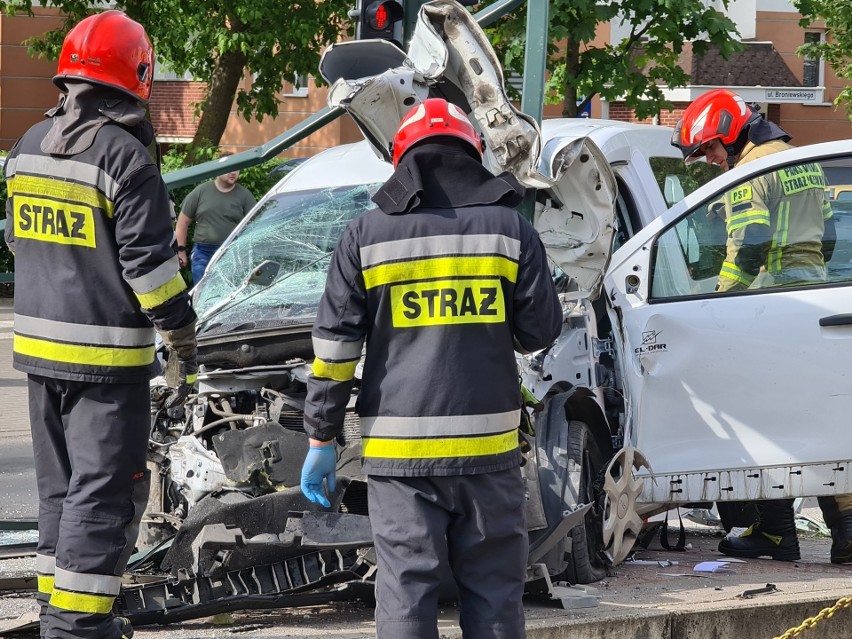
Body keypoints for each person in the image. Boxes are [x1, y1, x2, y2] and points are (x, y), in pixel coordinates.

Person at [299, 98, 562, 638]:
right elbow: (540, 331)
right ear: (473, 155)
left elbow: (335, 354)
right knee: (494, 594)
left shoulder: (365, 236)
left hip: (401, 459)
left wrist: (322, 440)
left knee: (406, 593)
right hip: (488, 454)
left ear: (403, 162)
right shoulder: (511, 231)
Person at [3, 11, 198, 638]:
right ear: (136, 74)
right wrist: (181, 334)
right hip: (107, 365)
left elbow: (16, 241)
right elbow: (151, 272)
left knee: (59, 490)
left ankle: (57, 611)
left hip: (36, 354)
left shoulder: (28, 145)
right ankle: (78, 627)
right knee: (103, 494)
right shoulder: (125, 158)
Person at [672, 87, 852, 564]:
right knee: (820, 417)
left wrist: (716, 304)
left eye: (710, 148)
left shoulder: (750, 172)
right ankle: (849, 533)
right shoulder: (802, 160)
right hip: (813, 297)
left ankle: (775, 533)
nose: (710, 159)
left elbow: (750, 244)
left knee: (764, 418)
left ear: (731, 135)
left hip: (768, 304)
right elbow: (830, 238)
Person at [175, 156, 256, 284]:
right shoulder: (200, 192)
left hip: (232, 252)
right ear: (218, 169)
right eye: (229, 168)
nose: (234, 172)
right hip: (203, 252)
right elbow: (182, 223)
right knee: (201, 292)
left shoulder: (245, 196)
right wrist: (181, 250)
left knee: (226, 291)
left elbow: (254, 226)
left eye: (237, 169)